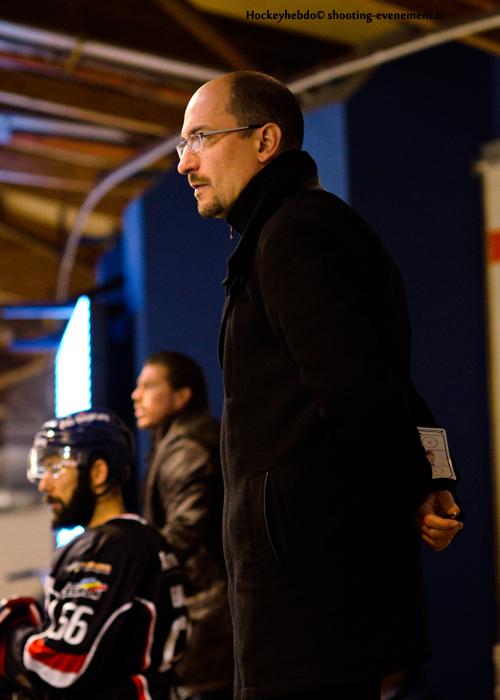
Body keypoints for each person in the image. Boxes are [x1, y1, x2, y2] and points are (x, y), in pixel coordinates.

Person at [176, 71, 464, 700]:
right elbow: (384, 378)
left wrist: (421, 486)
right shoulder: (284, 233)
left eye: (201, 138)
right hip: (308, 590)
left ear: (265, 140)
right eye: (182, 144)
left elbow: (359, 387)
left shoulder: (295, 233)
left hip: (310, 596)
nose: (185, 163)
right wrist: (432, 477)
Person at [0, 409, 188, 700]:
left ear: (98, 472)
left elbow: (62, 664)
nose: (44, 484)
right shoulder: (143, 540)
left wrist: (12, 631)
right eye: (43, 470)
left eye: (55, 468)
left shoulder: (106, 549)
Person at [132, 351, 233, 700]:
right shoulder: (181, 440)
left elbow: (182, 535)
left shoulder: (185, 448)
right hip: (210, 615)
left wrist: (129, 564)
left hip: (206, 618)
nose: (136, 395)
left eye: (149, 386)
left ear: (182, 395)